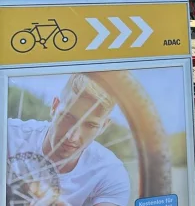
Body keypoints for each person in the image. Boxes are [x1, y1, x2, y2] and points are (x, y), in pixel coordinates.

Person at [7, 73, 130, 205]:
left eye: (90, 125)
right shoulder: (8, 134)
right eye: (67, 117)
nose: (72, 137)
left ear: (104, 126)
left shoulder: (110, 174)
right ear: (55, 107)